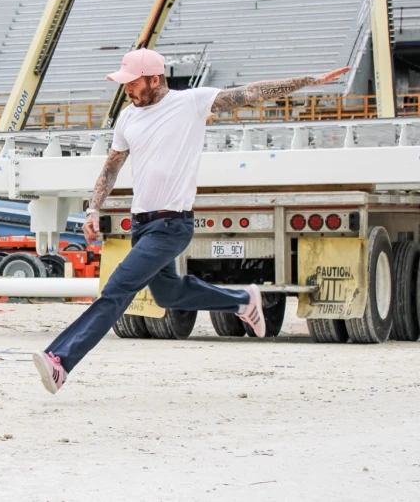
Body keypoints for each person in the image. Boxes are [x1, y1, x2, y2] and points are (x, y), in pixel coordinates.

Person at [32, 48, 350, 394]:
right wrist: (94, 208)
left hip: (172, 225)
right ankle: (243, 300)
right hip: (142, 225)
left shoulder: (191, 103)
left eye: (133, 83)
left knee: (117, 289)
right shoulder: (127, 117)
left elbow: (250, 93)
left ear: (155, 79)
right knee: (168, 294)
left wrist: (307, 81)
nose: (127, 89)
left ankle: (61, 358)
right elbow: (112, 166)